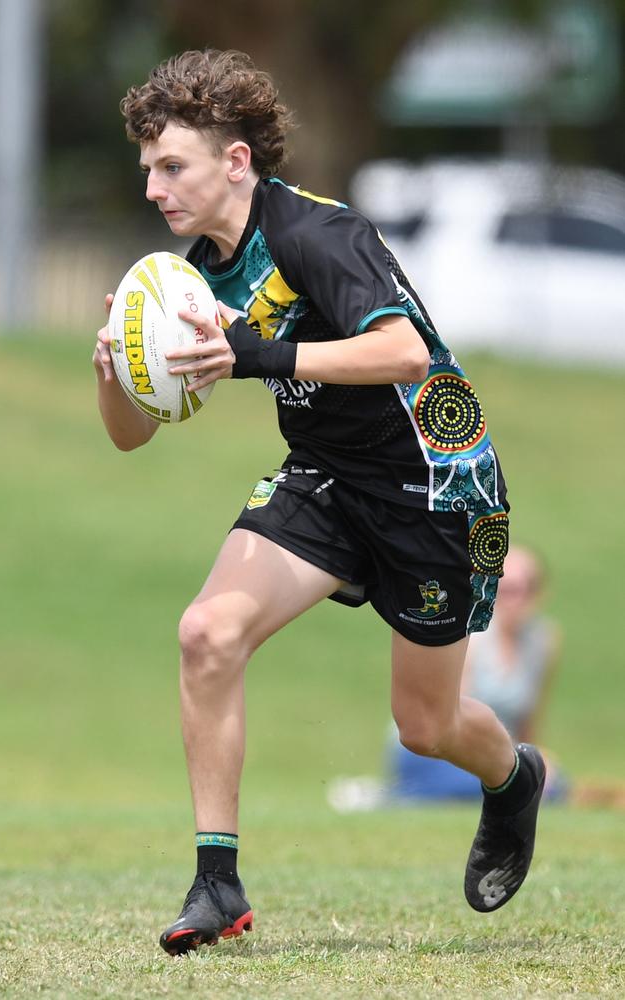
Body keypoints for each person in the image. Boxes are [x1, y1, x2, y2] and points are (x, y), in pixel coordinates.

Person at [93, 49, 546, 955]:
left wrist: (254, 356)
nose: (153, 187)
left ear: (235, 162)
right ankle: (217, 883)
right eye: (147, 168)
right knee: (207, 633)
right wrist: (116, 372)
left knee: (426, 726)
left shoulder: (316, 235)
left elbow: (403, 355)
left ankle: (514, 781)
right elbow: (131, 436)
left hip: (435, 484)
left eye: (170, 165)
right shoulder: (198, 277)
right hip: (328, 477)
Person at [329, 545, 567, 810]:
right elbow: (449, 715)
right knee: (507, 785)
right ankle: (394, 797)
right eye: (507, 589)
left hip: (494, 749)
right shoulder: (472, 637)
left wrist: (532, 757)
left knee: (550, 784)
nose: (515, 600)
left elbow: (529, 718)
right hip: (441, 746)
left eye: (526, 589)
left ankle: (397, 796)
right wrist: (511, 759)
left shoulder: (542, 641)